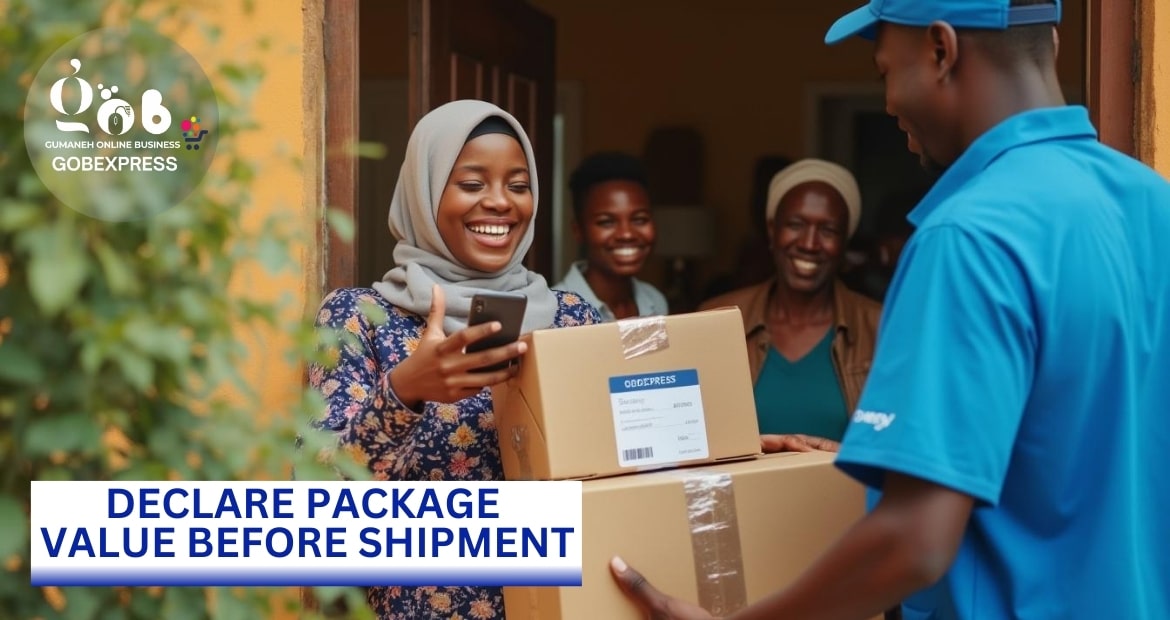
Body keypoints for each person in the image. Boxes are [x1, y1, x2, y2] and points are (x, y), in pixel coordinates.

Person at [610, 0, 1170, 618]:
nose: (888, 103)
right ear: (1054, 45)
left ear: (941, 50)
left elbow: (914, 544)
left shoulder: (970, 235)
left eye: (884, 72)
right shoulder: (1151, 204)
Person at [308, 99, 600, 619]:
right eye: (471, 184)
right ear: (423, 195)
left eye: (518, 184)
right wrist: (405, 391)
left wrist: (737, 447)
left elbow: (631, 453)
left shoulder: (572, 320)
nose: (500, 203)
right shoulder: (360, 321)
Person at [699, 158, 882, 454]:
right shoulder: (714, 320)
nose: (809, 243)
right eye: (796, 225)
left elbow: (904, 447)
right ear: (772, 230)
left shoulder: (882, 327)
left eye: (828, 230)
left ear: (845, 241)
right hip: (742, 500)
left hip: (844, 500)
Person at [554, 151, 669, 321]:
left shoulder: (655, 301)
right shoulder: (552, 309)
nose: (627, 234)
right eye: (606, 222)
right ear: (578, 231)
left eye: (639, 219)